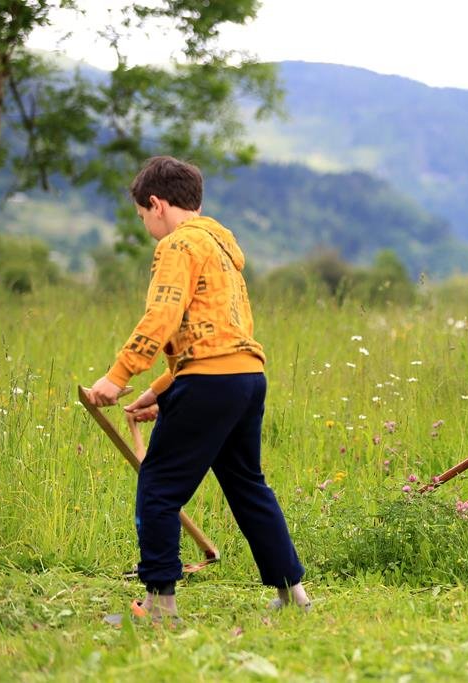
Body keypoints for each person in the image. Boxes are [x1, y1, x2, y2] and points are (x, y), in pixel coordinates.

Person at [87, 155, 310, 619]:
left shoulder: (179, 247)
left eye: (143, 216)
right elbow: (220, 333)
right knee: (248, 485)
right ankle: (294, 597)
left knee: (159, 487)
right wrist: (163, 390)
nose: (147, 225)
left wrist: (119, 376)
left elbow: (162, 315)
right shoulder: (222, 249)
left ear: (156, 203)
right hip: (246, 377)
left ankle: (159, 604)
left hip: (211, 381)